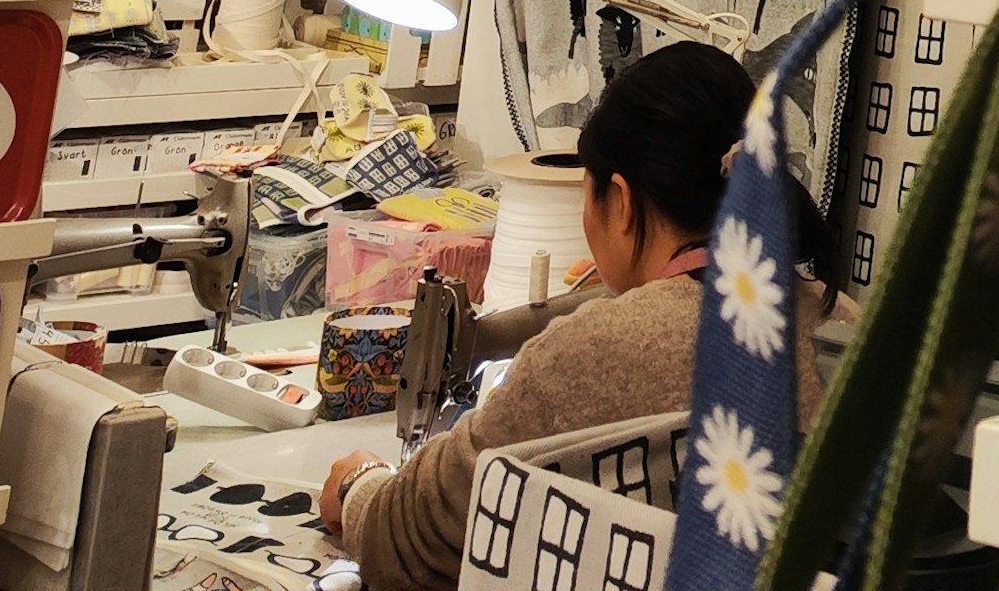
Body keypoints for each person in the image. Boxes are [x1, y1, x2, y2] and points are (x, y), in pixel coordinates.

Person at [320, 47, 817, 591]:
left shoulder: (600, 350)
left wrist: (359, 486)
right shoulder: (841, 323)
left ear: (620, 202)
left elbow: (410, 543)